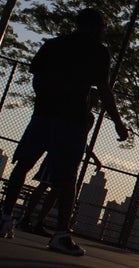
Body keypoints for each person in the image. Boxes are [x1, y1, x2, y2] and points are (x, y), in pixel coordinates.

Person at [0, 8, 128, 256]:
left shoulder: (55, 45)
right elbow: (103, 89)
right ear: (92, 27)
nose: (102, 32)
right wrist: (117, 122)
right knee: (67, 179)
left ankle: (6, 217)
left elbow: (36, 76)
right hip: (70, 119)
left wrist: (46, 99)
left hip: (44, 114)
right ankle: (60, 234)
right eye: (101, 27)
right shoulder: (97, 51)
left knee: (23, 165)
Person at [18, 89, 103, 238]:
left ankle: (38, 222)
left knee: (55, 190)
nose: (96, 100)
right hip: (57, 153)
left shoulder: (89, 118)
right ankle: (25, 218)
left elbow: (82, 139)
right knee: (44, 184)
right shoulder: (73, 112)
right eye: (94, 96)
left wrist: (93, 157)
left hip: (69, 157)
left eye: (97, 98)